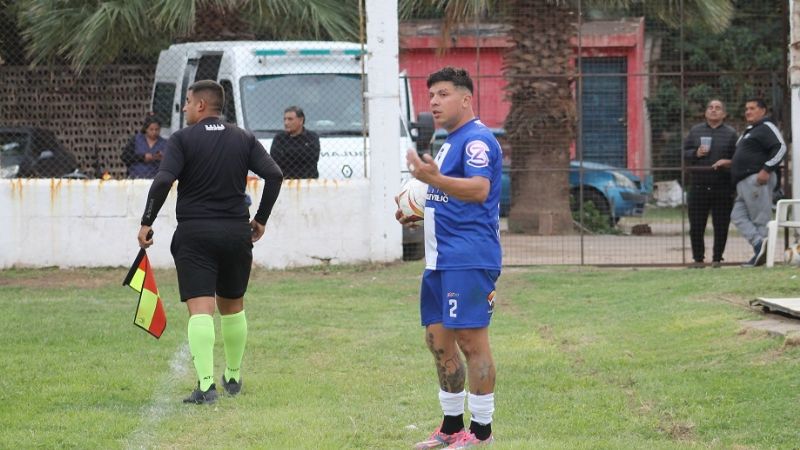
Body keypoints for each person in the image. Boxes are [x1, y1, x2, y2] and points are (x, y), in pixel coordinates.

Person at [136, 80, 283, 404]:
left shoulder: (182, 140)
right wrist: (260, 219)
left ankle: (205, 385)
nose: (185, 107)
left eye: (188, 102)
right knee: (232, 306)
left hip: (196, 235)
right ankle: (232, 375)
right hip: (235, 233)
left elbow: (163, 180)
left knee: (200, 309)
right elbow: (274, 175)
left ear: (201, 105)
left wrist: (147, 221)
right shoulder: (243, 137)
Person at [398, 67, 503, 448]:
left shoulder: (477, 140)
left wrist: (433, 181)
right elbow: (446, 196)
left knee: (472, 343)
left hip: (469, 257)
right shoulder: (449, 141)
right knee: (438, 341)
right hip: (440, 261)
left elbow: (478, 189)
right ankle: (451, 427)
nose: (435, 103)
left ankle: (481, 432)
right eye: (431, 97)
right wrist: (418, 206)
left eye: (443, 94)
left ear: (465, 98)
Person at [730, 98, 786, 267]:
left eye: (752, 108)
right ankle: (759, 246)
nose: (748, 111)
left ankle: (763, 256)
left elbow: (781, 147)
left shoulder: (767, 127)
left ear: (763, 110)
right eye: (746, 108)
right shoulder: (750, 131)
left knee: (760, 219)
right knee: (736, 216)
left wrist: (767, 169)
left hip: (757, 180)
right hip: (743, 183)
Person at [682, 99, 738, 268]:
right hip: (698, 185)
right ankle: (698, 259)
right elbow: (685, 153)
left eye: (718, 108)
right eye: (710, 107)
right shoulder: (695, 131)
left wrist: (727, 162)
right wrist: (696, 152)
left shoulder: (731, 133)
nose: (713, 110)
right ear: (705, 112)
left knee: (721, 224)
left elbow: (737, 158)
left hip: (722, 185)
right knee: (697, 224)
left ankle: (717, 258)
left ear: (724, 114)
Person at [269, 106, 320, 179]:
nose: (286, 123)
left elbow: (312, 158)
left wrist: (286, 153)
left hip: (307, 181)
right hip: (284, 181)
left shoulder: (312, 137)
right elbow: (275, 160)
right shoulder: (279, 138)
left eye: (290, 119)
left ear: (301, 120)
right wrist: (301, 154)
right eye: (285, 119)